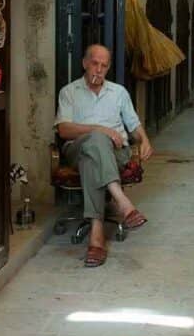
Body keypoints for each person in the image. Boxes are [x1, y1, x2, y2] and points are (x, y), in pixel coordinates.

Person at [55, 44, 153, 267]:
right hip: (77, 148)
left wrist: (145, 139)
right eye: (94, 64)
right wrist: (99, 130)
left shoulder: (119, 92)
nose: (98, 70)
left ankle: (96, 233)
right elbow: (63, 130)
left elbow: (134, 124)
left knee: (93, 157)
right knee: (96, 142)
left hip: (116, 152)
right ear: (84, 63)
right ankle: (122, 201)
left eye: (104, 66)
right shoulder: (69, 92)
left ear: (108, 68)